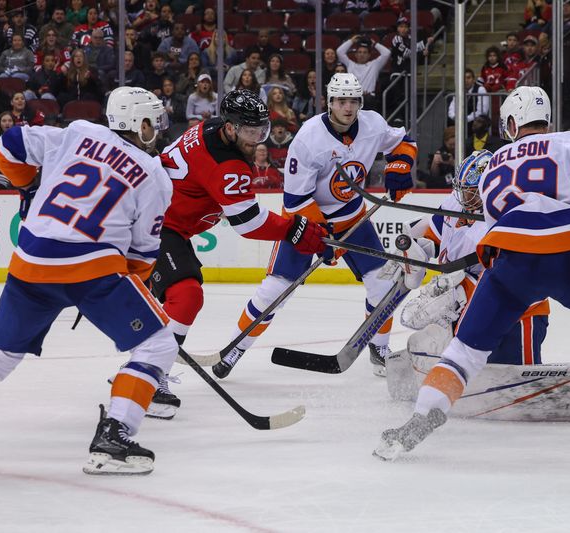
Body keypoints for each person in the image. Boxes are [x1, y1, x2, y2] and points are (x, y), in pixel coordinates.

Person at [374, 86, 570, 461]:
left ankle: (420, 418)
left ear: (512, 124)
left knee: (464, 351)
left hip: (512, 263)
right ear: (546, 120)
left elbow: (492, 231)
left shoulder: (493, 163)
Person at [0, 87, 178, 476]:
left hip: (30, 262)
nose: (156, 128)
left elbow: (9, 144)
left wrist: (28, 186)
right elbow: (141, 256)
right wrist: (120, 289)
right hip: (91, 270)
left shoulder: (77, 132)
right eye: (152, 121)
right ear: (139, 123)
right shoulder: (154, 175)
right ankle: (114, 436)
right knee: (157, 345)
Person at [387, 152, 570, 425]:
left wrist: (459, 291)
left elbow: (501, 277)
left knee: (515, 381)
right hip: (470, 311)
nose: (466, 198)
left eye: (474, 192)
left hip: (520, 315)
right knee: (467, 362)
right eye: (463, 190)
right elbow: (433, 233)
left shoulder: (502, 219)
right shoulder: (455, 204)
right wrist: (412, 248)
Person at [216, 73, 417, 379]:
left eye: (353, 101)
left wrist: (400, 165)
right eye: (340, 101)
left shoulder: (373, 124)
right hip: (305, 222)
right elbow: (296, 200)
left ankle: (379, 348)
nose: (347, 108)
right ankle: (236, 346)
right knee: (275, 291)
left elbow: (403, 141)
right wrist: (325, 239)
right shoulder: (309, 138)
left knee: (383, 283)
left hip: (352, 218)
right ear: (329, 102)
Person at [143, 89, 327, 413]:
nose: (257, 139)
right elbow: (247, 223)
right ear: (230, 128)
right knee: (185, 297)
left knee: (180, 297)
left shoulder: (210, 129)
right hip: (152, 225)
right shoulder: (226, 164)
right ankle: (149, 375)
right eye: (249, 131)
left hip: (162, 221)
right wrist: (292, 229)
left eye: (261, 130)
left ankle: (145, 364)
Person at [336, 35, 391, 111]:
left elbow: (387, 53)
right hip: (353, 98)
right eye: (359, 52)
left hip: (369, 98)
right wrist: (351, 41)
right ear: (355, 55)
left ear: (369, 55)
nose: (362, 54)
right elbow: (339, 51)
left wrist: (374, 44)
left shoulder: (374, 65)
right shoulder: (350, 64)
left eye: (365, 52)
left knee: (368, 99)